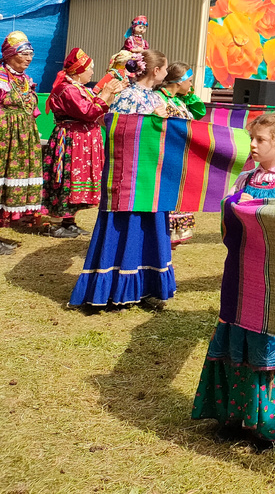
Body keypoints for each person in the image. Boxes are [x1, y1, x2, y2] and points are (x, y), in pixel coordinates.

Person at [192, 112, 275, 447]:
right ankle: (235, 416)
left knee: (269, 341)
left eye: (261, 140)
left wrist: (257, 210)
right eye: (252, 139)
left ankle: (272, 425)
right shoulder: (245, 179)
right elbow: (226, 215)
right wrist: (235, 204)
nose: (254, 145)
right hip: (241, 272)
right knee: (236, 336)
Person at [69, 50, 175, 307]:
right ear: (155, 71)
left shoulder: (156, 97)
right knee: (127, 227)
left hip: (151, 176)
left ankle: (147, 287)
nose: (166, 72)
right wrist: (153, 121)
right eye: (164, 68)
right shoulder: (128, 96)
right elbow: (117, 131)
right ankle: (116, 289)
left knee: (150, 228)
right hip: (129, 178)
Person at [43, 47, 122, 238]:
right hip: (70, 140)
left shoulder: (79, 89)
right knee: (66, 179)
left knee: (77, 180)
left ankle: (69, 221)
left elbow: (99, 109)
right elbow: (89, 111)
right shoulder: (66, 90)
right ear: (79, 71)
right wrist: (106, 92)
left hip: (82, 141)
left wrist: (111, 93)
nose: (92, 72)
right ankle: (54, 224)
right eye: (90, 68)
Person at [0, 31, 45, 252]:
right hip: (4, 139)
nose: (29, 58)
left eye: (31, 54)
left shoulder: (25, 79)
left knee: (11, 184)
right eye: (24, 54)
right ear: (10, 54)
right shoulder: (1, 77)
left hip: (22, 139)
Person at [159, 62, 206, 247]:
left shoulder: (178, 100)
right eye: (190, 81)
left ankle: (169, 248)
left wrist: (189, 94)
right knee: (168, 202)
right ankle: (162, 247)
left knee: (179, 200)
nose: (191, 85)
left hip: (180, 159)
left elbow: (199, 111)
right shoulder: (160, 99)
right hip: (167, 160)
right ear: (179, 81)